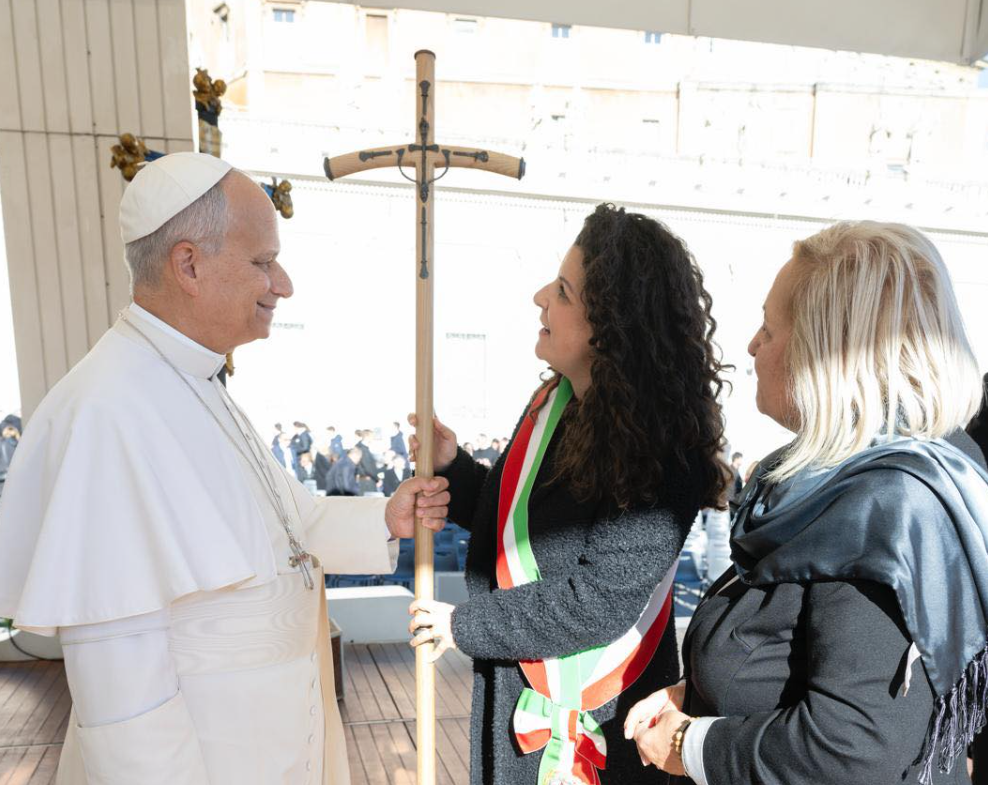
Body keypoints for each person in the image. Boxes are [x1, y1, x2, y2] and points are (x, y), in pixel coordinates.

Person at [0, 152, 450, 785]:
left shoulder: (197, 380)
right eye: (263, 262)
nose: (283, 284)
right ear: (189, 264)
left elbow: (290, 526)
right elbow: (121, 694)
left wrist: (385, 517)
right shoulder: (109, 410)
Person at [626, 221, 988, 785]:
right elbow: (790, 661)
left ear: (824, 357)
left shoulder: (887, 510)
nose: (752, 345)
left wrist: (686, 744)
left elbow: (853, 745)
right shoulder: (845, 481)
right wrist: (697, 695)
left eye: (769, 329)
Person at [401, 203, 729, 785]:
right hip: (517, 691)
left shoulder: (662, 451)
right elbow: (524, 524)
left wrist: (462, 626)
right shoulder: (558, 405)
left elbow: (598, 600)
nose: (540, 299)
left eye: (562, 291)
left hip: (598, 726)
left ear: (611, 323)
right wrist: (455, 470)